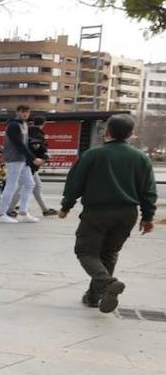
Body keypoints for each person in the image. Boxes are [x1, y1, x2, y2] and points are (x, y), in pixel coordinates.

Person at [58, 114, 156, 312]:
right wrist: (148, 217)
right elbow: (148, 190)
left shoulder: (93, 154)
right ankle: (94, 297)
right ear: (131, 134)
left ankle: (107, 283)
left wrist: (66, 206)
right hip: (127, 213)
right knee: (110, 253)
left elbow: (75, 182)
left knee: (86, 252)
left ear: (107, 131)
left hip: (97, 212)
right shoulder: (140, 158)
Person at [0, 104, 43, 224]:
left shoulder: (24, 125)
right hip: (14, 159)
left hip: (22, 159)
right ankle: (1, 214)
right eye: (23, 112)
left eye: (27, 112)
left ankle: (23, 212)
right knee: (11, 185)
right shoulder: (13, 125)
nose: (25, 114)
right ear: (17, 112)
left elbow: (25, 142)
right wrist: (32, 158)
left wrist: (36, 148)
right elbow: (18, 144)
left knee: (29, 183)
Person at [27, 115, 57, 217]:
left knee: (36, 187)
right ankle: (10, 209)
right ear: (44, 124)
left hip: (30, 165)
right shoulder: (37, 134)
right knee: (23, 188)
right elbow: (36, 148)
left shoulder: (28, 131)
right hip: (30, 165)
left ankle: (45, 209)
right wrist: (45, 156)